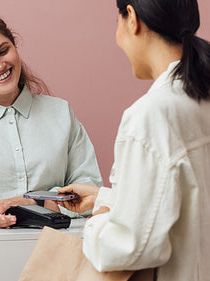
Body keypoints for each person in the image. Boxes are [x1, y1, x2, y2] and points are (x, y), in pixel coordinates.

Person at [57, 0, 210, 280]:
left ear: (131, 17)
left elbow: (131, 247)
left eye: (116, 22)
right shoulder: (199, 98)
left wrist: (99, 219)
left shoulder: (152, 114)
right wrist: (104, 197)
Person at [0, 13, 103, 228]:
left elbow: (90, 186)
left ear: (15, 46)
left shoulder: (61, 112)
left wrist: (35, 203)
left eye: (3, 51)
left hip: (58, 244)